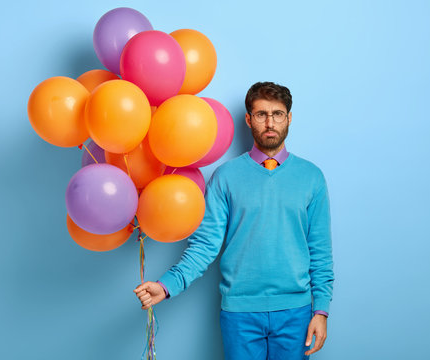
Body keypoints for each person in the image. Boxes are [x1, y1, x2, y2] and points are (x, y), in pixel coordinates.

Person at [134, 82, 334, 359]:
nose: (270, 122)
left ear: (289, 118)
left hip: (296, 313)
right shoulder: (226, 177)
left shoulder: (312, 177)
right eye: (261, 114)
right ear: (249, 120)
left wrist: (321, 310)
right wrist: (167, 286)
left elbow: (320, 252)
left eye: (277, 114)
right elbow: (205, 245)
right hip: (239, 314)